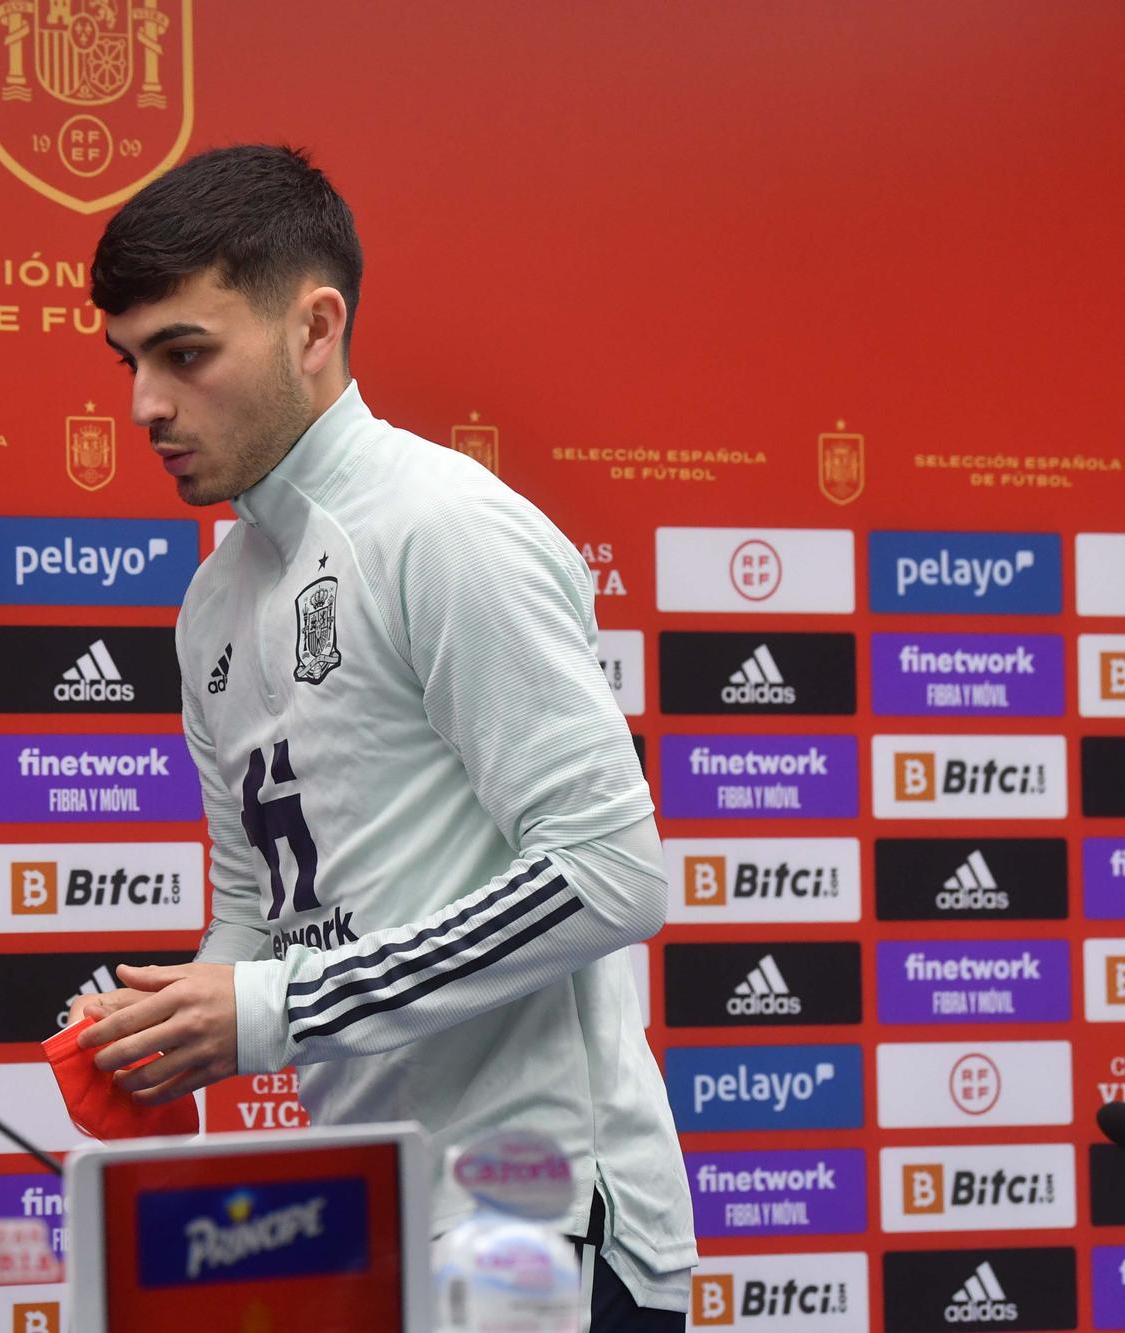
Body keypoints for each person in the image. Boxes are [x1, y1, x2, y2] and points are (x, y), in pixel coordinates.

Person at [69, 144, 696, 1329]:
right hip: (360, 1219)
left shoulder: (441, 525)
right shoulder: (212, 598)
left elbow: (608, 874)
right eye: (129, 360)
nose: (143, 404)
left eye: (184, 353)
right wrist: (166, 1022)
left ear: (315, 327)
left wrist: (271, 1011)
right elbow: (256, 917)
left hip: (533, 1221)